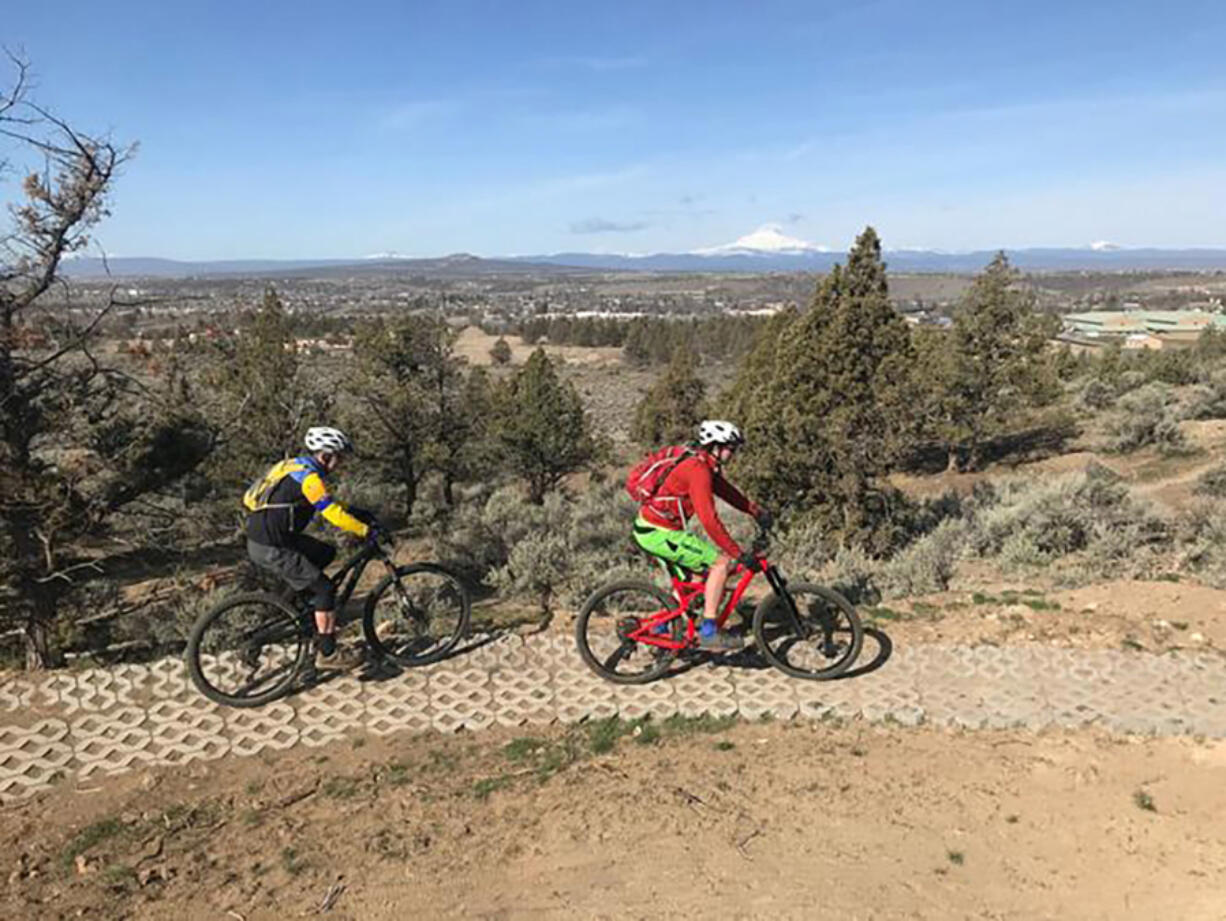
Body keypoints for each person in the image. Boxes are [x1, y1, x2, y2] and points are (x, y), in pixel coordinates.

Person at [632, 420, 772, 651]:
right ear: (714, 446)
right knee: (721, 564)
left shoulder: (703, 463)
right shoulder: (697, 470)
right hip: (658, 532)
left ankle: (663, 628)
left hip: (658, 529)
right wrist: (737, 553)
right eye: (729, 447)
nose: (733, 453)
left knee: (697, 581)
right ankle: (709, 631)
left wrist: (755, 510)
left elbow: (726, 491)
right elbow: (709, 520)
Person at [243, 426, 375, 669]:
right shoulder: (311, 479)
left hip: (266, 538)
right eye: (338, 457)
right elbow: (332, 513)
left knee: (325, 553)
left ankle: (295, 610)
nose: (340, 463)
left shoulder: (290, 466)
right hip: (272, 546)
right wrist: (365, 530)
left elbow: (325, 501)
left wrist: (358, 513)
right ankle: (327, 653)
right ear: (325, 456)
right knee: (325, 589)